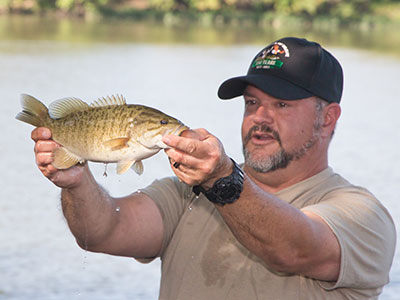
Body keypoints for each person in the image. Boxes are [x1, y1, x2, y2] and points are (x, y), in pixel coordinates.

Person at [32, 37, 396, 299]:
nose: (260, 117)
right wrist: (77, 183)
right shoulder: (185, 191)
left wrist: (223, 180)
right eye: (252, 102)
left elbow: (294, 249)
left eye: (281, 105)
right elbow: (103, 232)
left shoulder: (363, 215)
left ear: (328, 118)